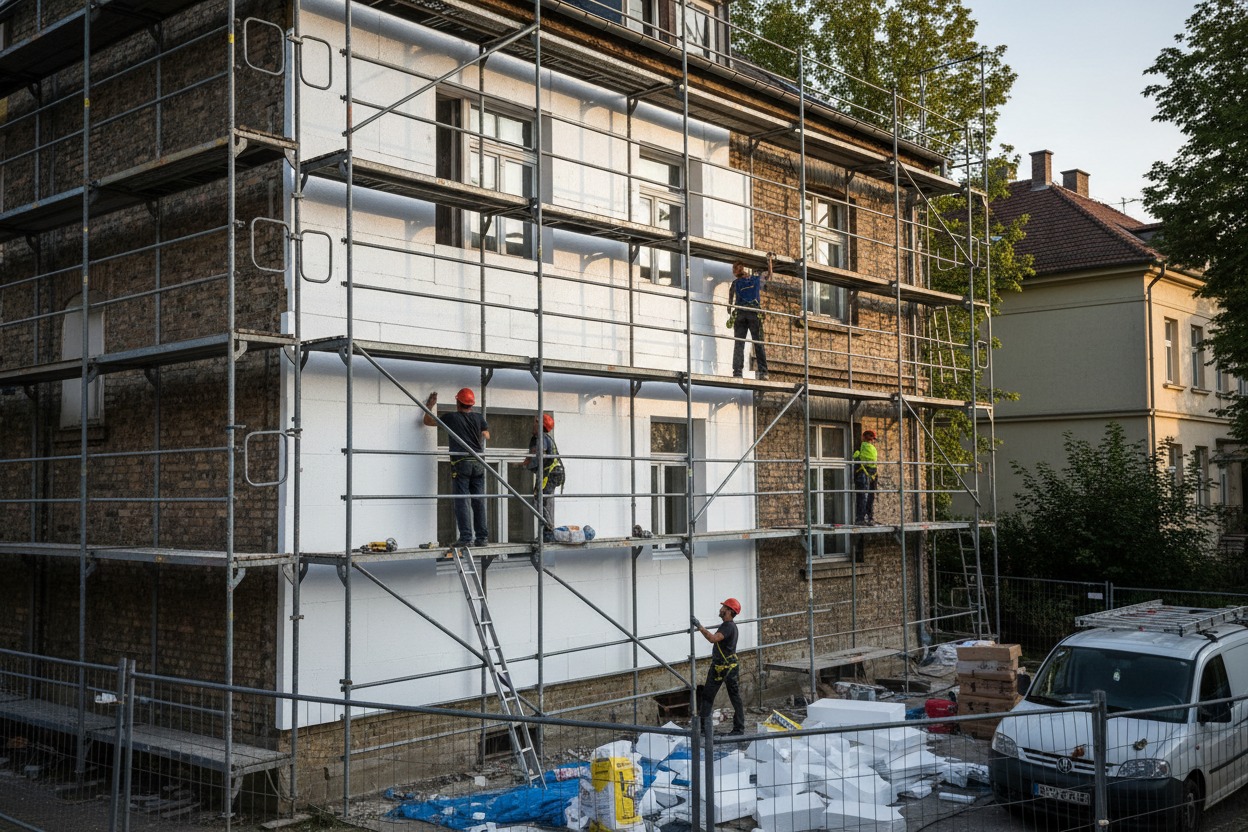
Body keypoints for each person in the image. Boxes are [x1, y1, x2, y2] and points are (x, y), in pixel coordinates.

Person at [424, 387, 490, 547]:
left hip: (462, 464)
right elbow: (487, 434)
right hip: (478, 462)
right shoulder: (478, 418)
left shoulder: (452, 418)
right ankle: (482, 538)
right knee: (479, 501)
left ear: (457, 402)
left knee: (462, 501)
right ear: (471, 405)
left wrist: (429, 406)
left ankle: (466, 538)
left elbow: (428, 421)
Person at [691, 598, 745, 735]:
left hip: (724, 668)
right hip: (724, 666)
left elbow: (713, 639)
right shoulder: (728, 626)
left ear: (729, 611)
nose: (721, 609)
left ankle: (705, 728)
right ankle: (736, 728)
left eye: (724, 607)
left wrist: (699, 626)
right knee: (726, 696)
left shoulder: (728, 626)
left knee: (713, 696)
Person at [728, 256, 772, 380]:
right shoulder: (755, 279)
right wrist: (769, 264)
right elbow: (768, 276)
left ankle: (737, 372)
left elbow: (730, 300)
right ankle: (763, 372)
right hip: (753, 313)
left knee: (739, 343)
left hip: (741, 314)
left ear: (736, 271)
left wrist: (729, 307)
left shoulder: (736, 283)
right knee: (758, 343)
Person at [522, 413, 563, 543]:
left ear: (540, 425)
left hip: (550, 473)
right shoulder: (542, 438)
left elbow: (540, 456)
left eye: (535, 421)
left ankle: (549, 529)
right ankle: (547, 533)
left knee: (539, 500)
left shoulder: (542, 438)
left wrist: (527, 465)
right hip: (554, 472)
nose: (532, 423)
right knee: (545, 501)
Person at [853, 428, 878, 526]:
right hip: (873, 475)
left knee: (862, 496)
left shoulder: (862, 447)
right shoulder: (874, 449)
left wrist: (856, 455)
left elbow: (855, 458)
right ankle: (870, 518)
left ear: (863, 437)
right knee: (870, 497)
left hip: (863, 474)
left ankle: (860, 519)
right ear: (872, 440)